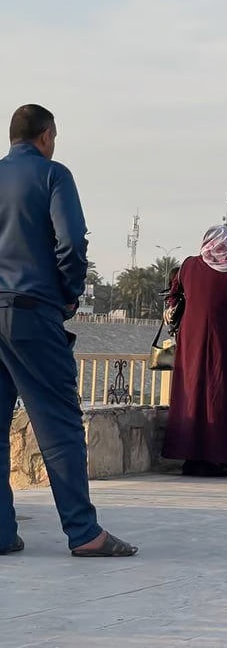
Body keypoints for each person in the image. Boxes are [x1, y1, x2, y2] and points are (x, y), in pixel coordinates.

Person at [0, 105, 137, 558]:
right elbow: (72, 240)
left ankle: (2, 531)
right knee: (58, 424)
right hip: (32, 308)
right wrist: (70, 291)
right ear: (46, 135)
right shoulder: (53, 175)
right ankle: (84, 532)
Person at [163, 225, 227, 478]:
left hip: (192, 339)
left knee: (193, 394)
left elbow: (176, 292)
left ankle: (190, 456)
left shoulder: (189, 265)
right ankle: (219, 456)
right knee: (222, 396)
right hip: (226, 341)